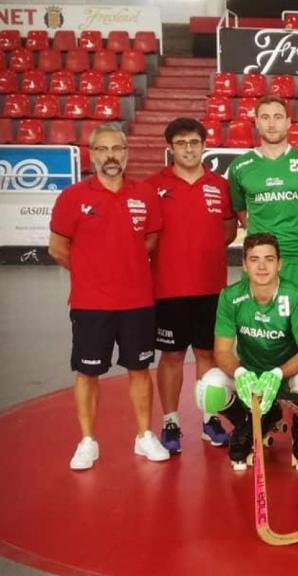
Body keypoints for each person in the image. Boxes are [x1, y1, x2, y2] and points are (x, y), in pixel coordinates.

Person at [48, 122, 170, 470]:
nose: (110, 156)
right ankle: (87, 441)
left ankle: (144, 435)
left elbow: (149, 240)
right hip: (90, 304)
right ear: (91, 154)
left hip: (137, 302)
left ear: (126, 152)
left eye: (116, 149)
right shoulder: (73, 197)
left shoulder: (144, 194)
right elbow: (57, 249)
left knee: (139, 368)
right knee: (87, 373)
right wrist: (91, 271)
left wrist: (121, 267)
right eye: (102, 149)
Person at [146, 117, 237, 453]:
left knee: (207, 354)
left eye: (194, 142)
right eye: (181, 143)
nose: (188, 148)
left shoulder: (219, 185)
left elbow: (227, 231)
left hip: (212, 288)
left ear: (203, 145)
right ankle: (170, 422)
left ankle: (209, 419)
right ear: (170, 147)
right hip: (169, 289)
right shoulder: (153, 186)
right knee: (170, 355)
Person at [194, 232, 298, 470]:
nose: (262, 266)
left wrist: (278, 374)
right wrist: (241, 373)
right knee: (207, 388)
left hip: (289, 373)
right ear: (243, 264)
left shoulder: (296, 296)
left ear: (279, 263)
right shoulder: (230, 297)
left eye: (269, 259)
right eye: (254, 259)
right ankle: (247, 424)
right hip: (251, 372)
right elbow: (221, 351)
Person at [227, 95, 298, 325]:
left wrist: (296, 235)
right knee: (258, 323)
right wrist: (261, 237)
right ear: (256, 122)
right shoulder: (240, 167)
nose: (271, 123)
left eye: (277, 117)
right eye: (265, 117)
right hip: (259, 259)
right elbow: (241, 213)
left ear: (289, 122)